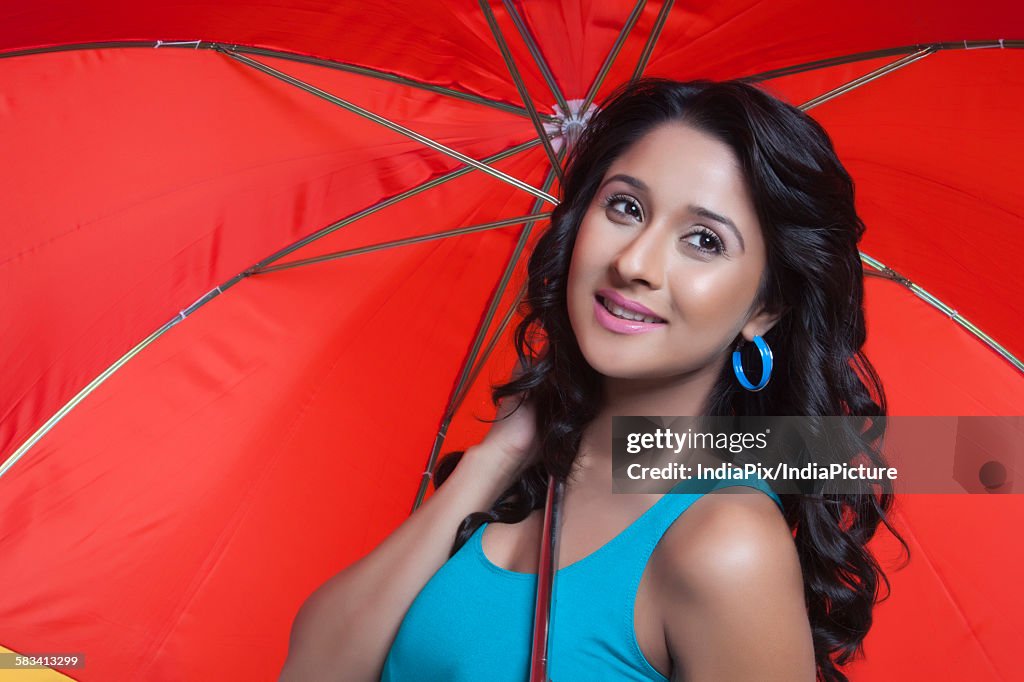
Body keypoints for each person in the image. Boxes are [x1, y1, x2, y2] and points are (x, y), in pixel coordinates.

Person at [278, 77, 909, 682]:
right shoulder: (522, 476)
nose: (633, 262)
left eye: (704, 241)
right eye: (626, 207)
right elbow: (313, 671)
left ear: (763, 310)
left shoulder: (724, 544)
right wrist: (496, 456)